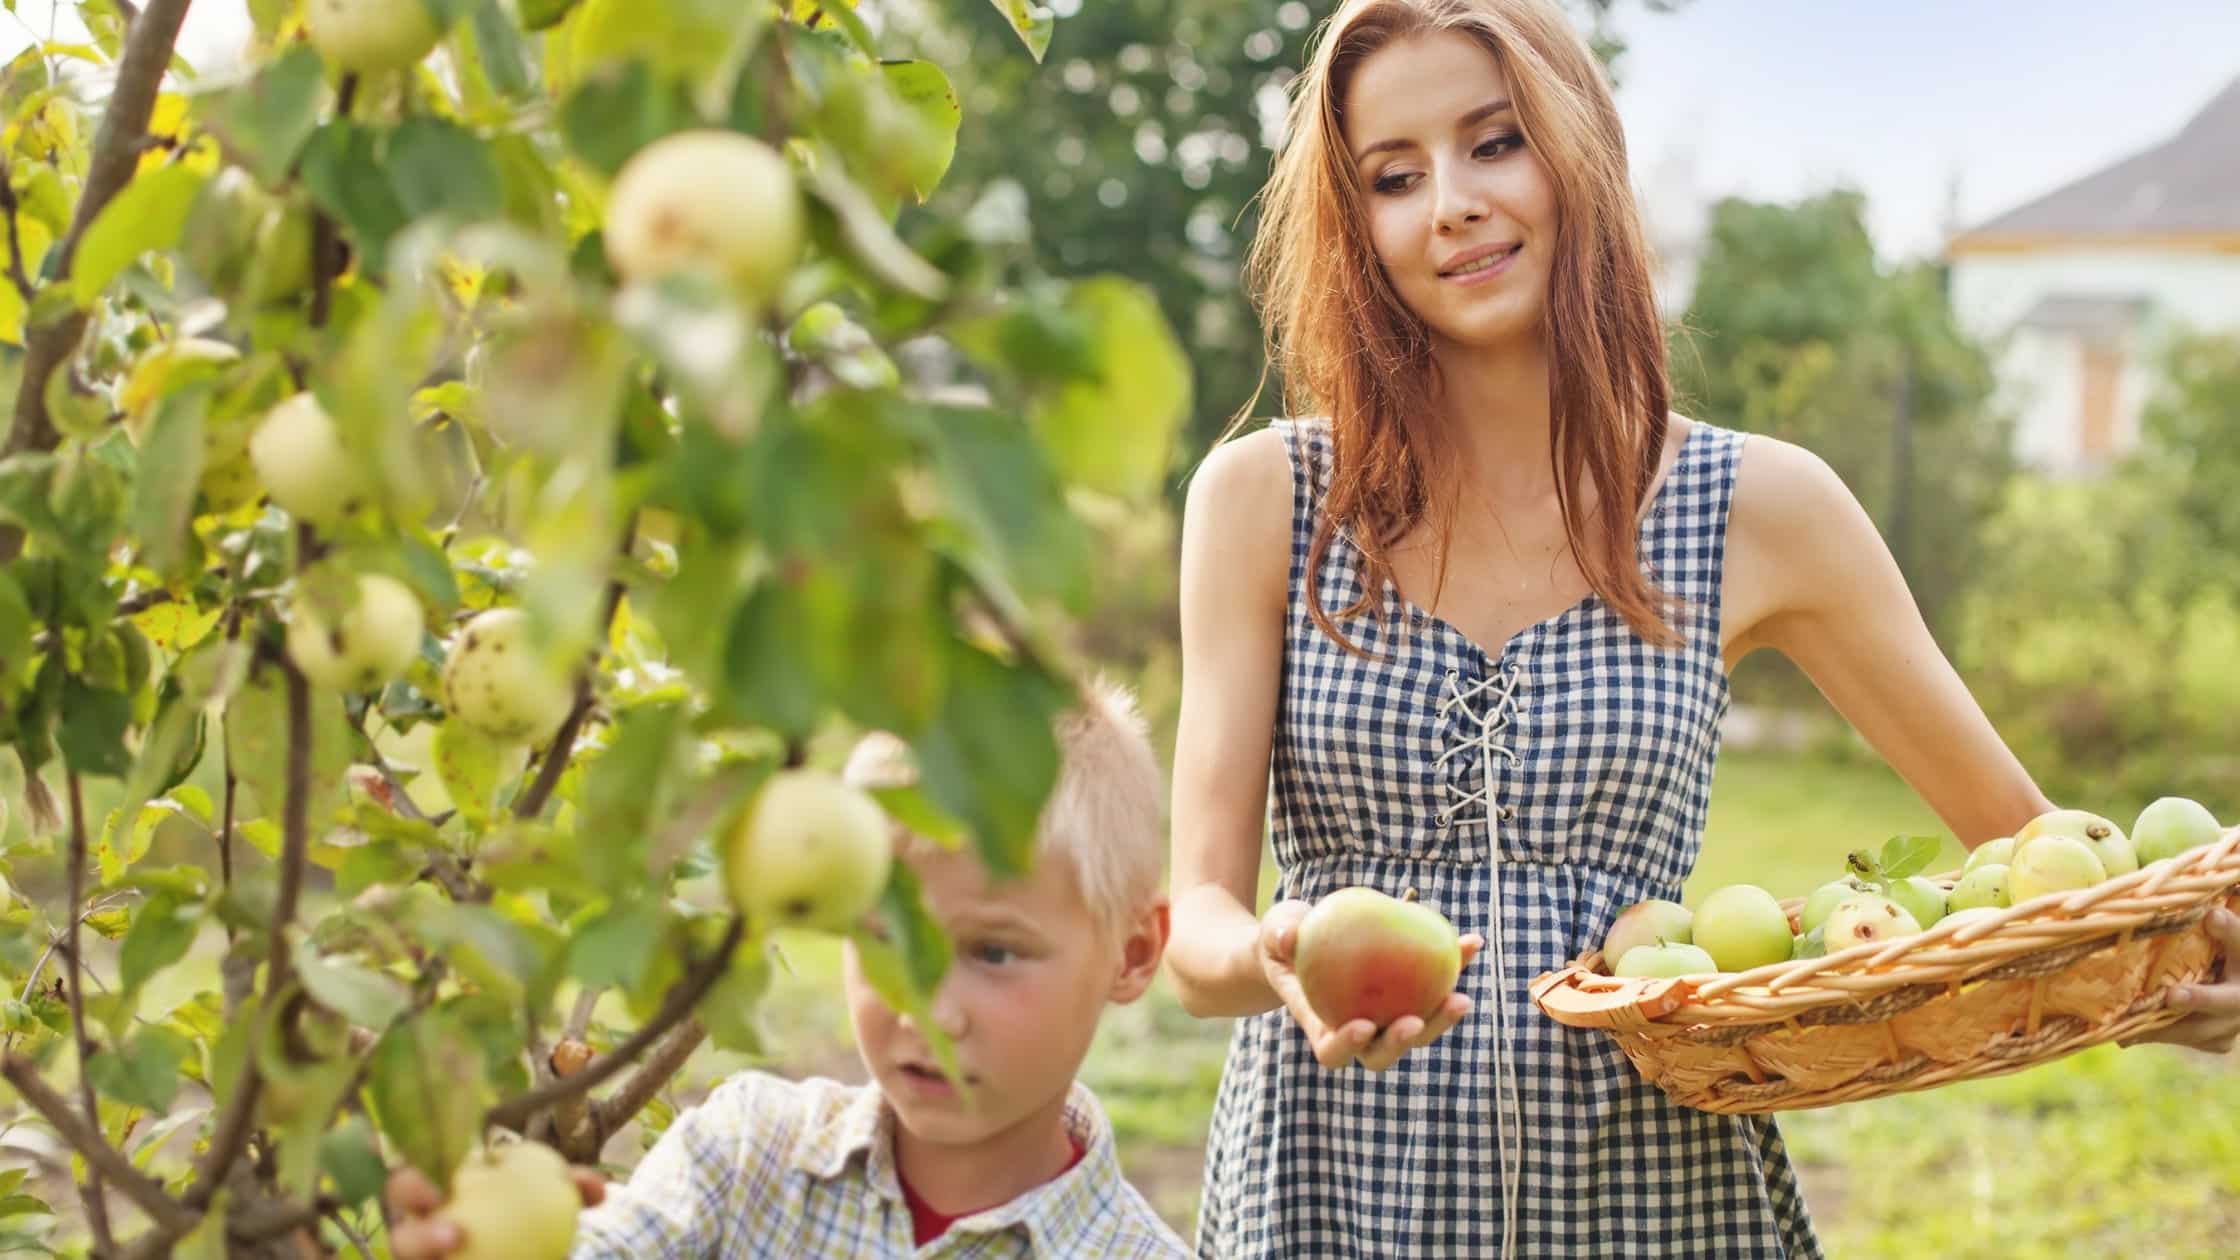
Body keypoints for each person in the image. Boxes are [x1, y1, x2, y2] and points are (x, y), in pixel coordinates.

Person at [1161, 1, 2240, 1256]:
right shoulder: (1265, 501)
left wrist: (2158, 977)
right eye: (1392, 178)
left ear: (1577, 156)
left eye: (1493, 143)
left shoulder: (1757, 509)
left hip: (1654, 1195)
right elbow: (1196, 928)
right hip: (1326, 1194)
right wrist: (1279, 955)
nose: (1448, 201)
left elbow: (2031, 853)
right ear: (1356, 228)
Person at [388, 679, 1191, 1258]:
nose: (929, 1011)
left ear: (1132, 954)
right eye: (884, 936)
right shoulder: (742, 1162)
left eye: (993, 952)